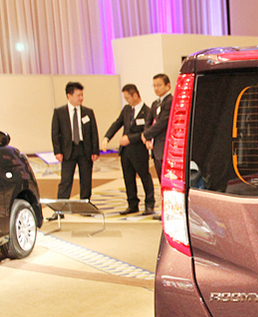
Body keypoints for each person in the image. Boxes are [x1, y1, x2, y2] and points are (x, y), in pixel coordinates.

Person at [49, 82, 100, 220]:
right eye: (78, 95)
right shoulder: (59, 112)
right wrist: (57, 151)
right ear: (69, 96)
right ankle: (60, 210)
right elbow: (55, 133)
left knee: (86, 179)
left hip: (85, 149)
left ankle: (85, 206)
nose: (81, 98)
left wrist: (95, 150)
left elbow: (94, 132)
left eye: (82, 95)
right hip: (68, 150)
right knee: (65, 181)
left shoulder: (88, 112)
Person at [102, 84, 155, 215]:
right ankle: (132, 204)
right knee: (128, 178)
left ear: (135, 95)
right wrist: (107, 138)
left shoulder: (147, 111)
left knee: (144, 177)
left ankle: (149, 204)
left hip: (139, 150)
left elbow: (147, 131)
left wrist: (130, 138)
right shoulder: (126, 109)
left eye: (128, 98)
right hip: (126, 151)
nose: (126, 100)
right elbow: (117, 124)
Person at [142, 73, 172, 220]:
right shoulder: (155, 104)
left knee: (168, 182)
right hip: (156, 149)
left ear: (168, 85)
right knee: (161, 182)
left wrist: (147, 135)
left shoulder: (170, 101)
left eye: (159, 85)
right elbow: (148, 122)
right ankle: (164, 210)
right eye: (154, 86)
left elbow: (163, 123)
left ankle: (170, 211)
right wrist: (146, 136)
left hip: (166, 147)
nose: (156, 88)